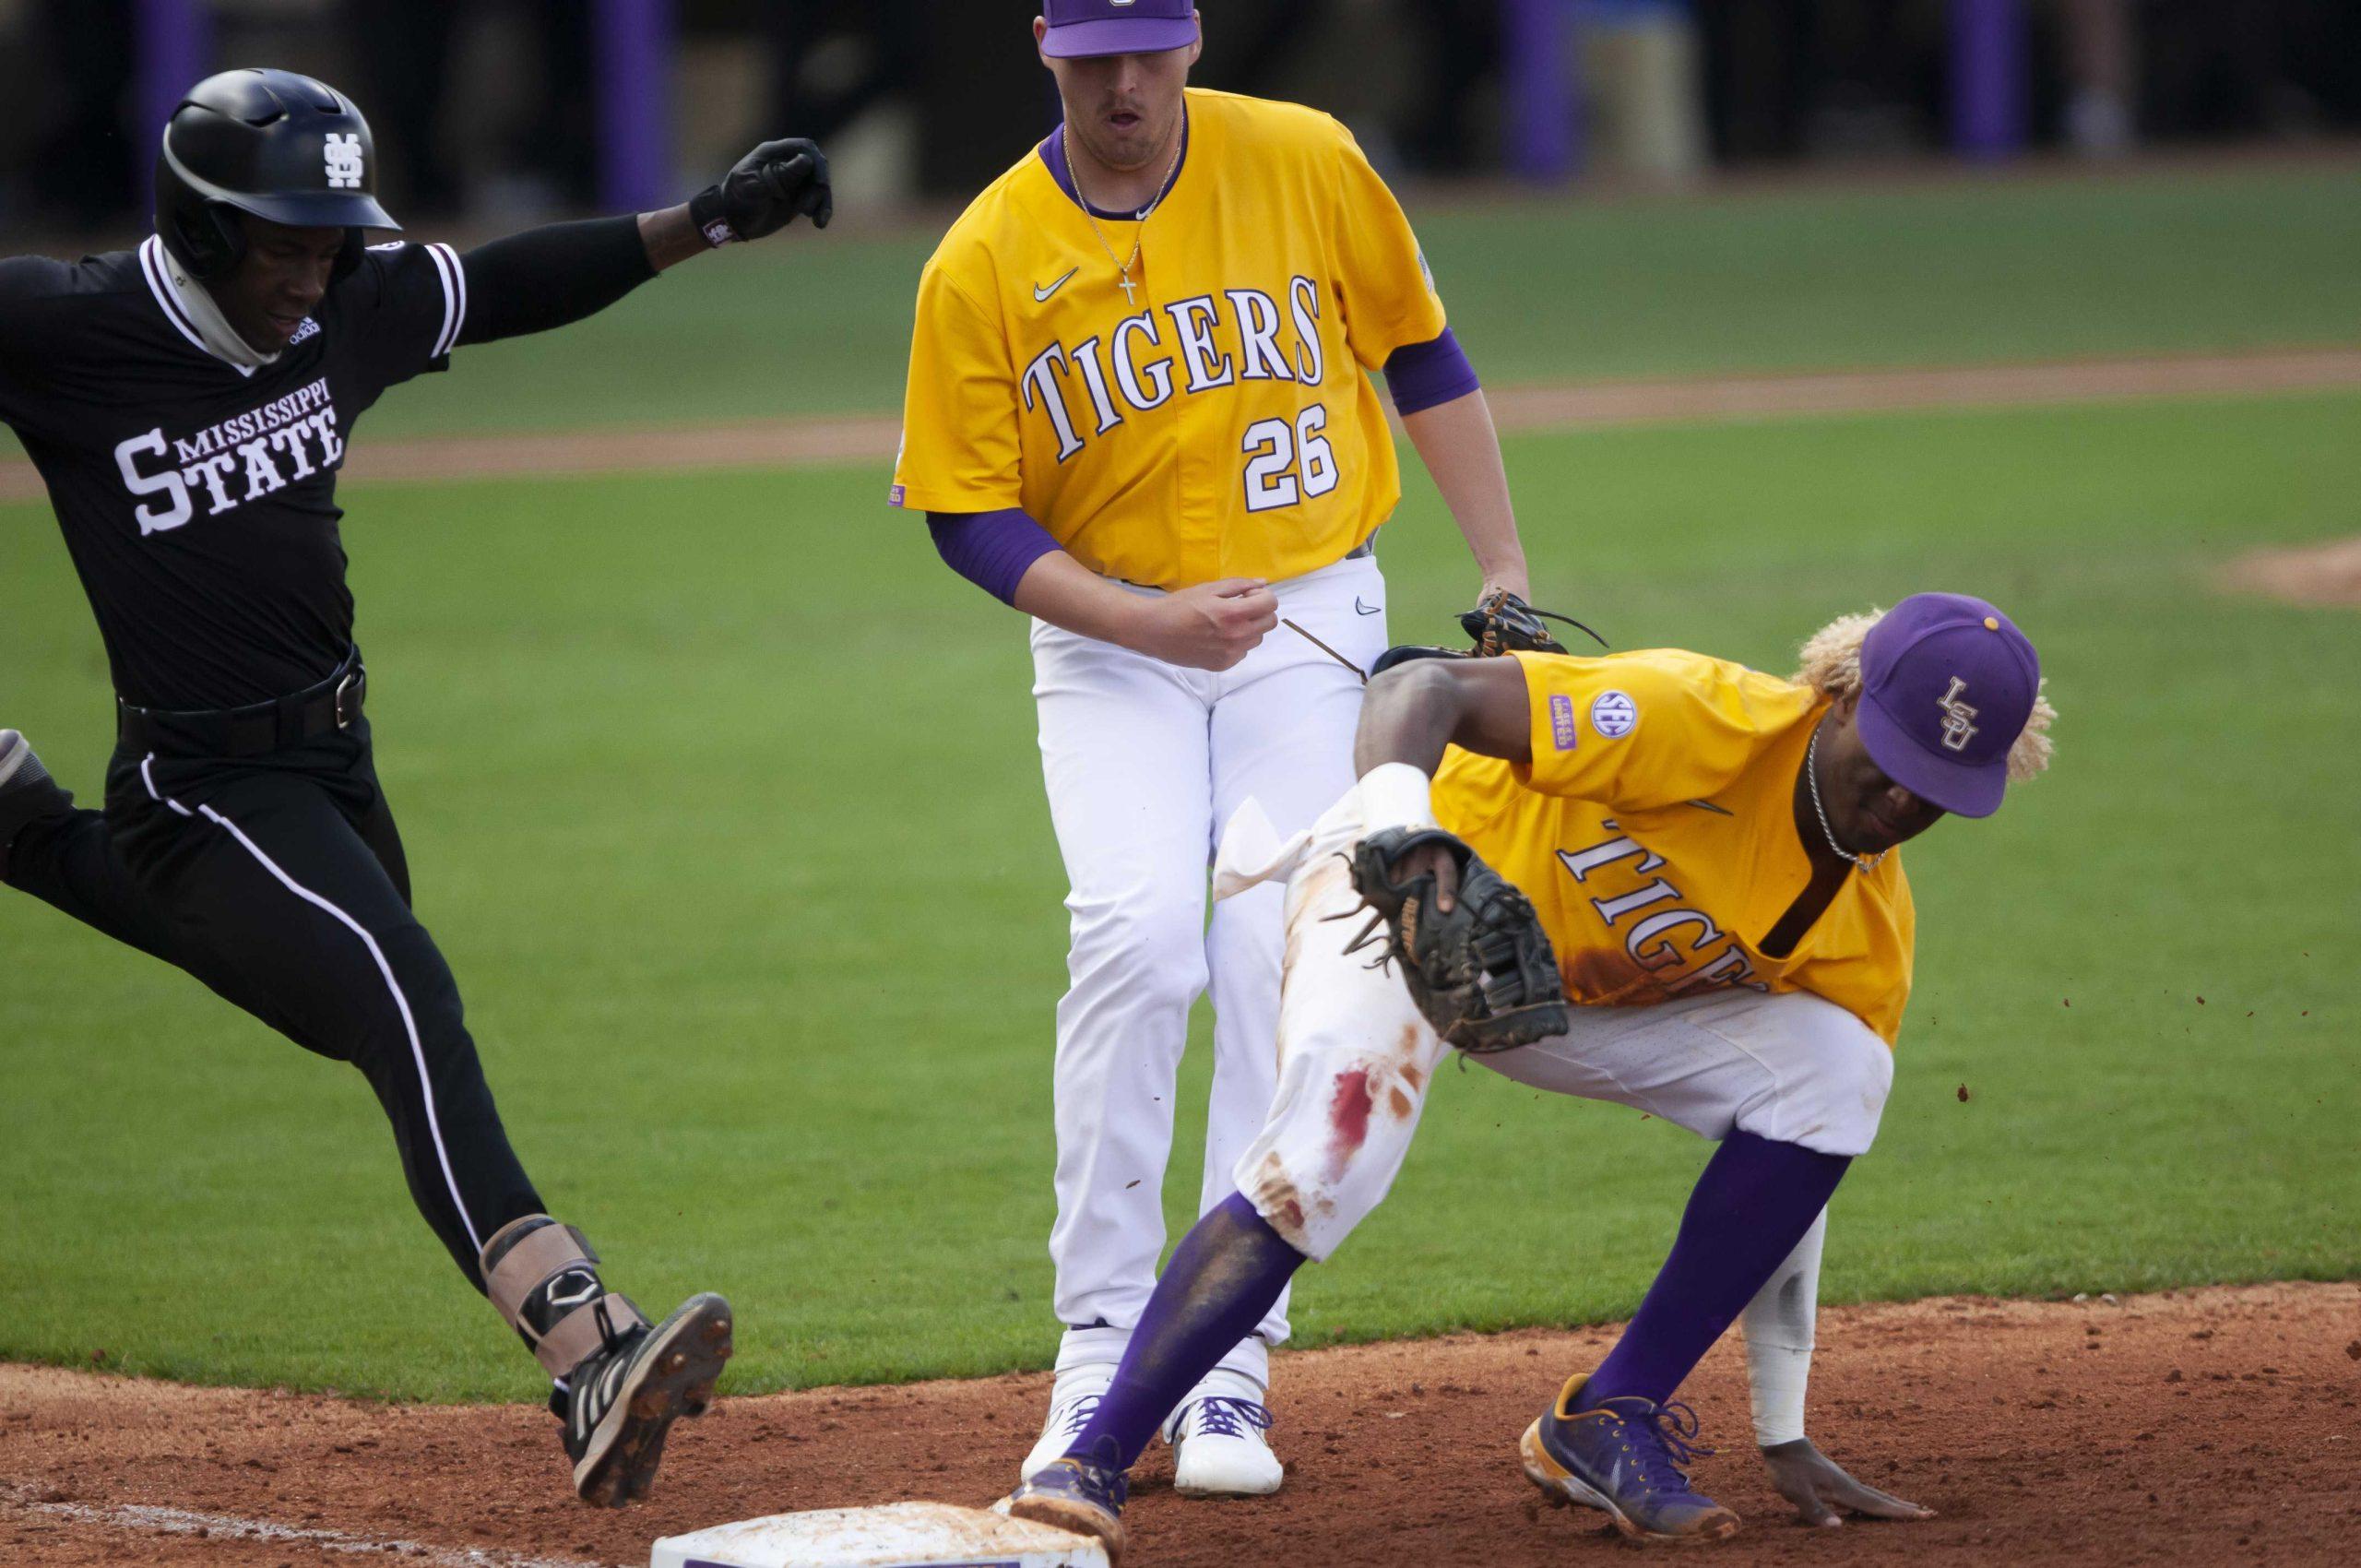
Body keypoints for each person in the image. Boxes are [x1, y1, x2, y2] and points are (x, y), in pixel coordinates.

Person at [0, 68, 832, 1505]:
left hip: (333, 766)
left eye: (332, 242)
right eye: (286, 245)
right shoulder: (64, 329)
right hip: (201, 782)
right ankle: (585, 1345)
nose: (317, 275)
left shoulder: (345, 303)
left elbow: (505, 285)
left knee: (335, 993)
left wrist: (703, 221)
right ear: (199, 235)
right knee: (400, 993)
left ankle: (19, 832)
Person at [1003, 594, 2056, 1559]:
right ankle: (1091, 1455)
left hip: (1553, 999)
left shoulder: (1865, 928)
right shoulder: (1698, 715)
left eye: (1934, 789)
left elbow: (1798, 1158)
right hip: (1398, 901)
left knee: (1839, 1065)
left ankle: (1607, 1416)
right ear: (1843, 695)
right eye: (1887, 753)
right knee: (1326, 1160)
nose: (1897, 798)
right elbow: (1415, 687)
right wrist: (1406, 843)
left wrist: (1780, 1423)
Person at [890, 0, 1539, 1496]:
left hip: (1308, 613)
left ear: (1189, 41)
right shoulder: (984, 255)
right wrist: (1136, 618)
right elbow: (969, 516)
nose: (1125, 83)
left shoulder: (1303, 159)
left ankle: (1228, 1362)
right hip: (1109, 642)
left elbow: (1423, 354)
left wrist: (1499, 567)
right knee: (1135, 940)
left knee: (1269, 953)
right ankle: (1098, 1347)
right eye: (1093, 54)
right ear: (1047, 52)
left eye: (1149, 49)